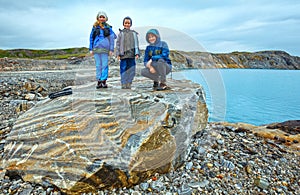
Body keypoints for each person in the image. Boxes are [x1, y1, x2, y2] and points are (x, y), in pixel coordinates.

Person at [89, 11, 116, 89]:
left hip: (105, 50)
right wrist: (91, 49)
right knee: (98, 66)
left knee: (104, 65)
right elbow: (91, 38)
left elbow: (112, 39)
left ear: (106, 18)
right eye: (100, 17)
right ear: (98, 18)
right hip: (96, 49)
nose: (102, 18)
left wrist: (111, 49)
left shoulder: (108, 28)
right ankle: (99, 81)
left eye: (103, 17)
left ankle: (104, 81)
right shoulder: (94, 28)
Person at [116, 16, 140, 89]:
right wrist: (118, 54)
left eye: (128, 23)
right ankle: (123, 83)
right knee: (123, 69)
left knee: (132, 70)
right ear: (123, 24)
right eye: (125, 23)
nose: (127, 24)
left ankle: (129, 82)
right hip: (123, 55)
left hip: (132, 55)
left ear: (131, 24)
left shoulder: (134, 33)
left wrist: (137, 53)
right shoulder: (121, 33)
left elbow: (136, 44)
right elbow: (118, 44)